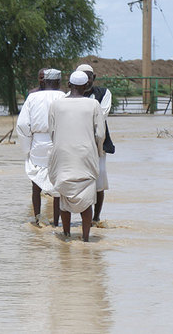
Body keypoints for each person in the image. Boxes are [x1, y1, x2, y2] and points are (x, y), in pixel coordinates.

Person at [48, 71, 105, 242]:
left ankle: (66, 234)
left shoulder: (56, 105)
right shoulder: (94, 104)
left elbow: (51, 131)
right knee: (87, 197)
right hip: (85, 154)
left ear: (69, 85)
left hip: (63, 154)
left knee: (64, 195)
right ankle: (86, 238)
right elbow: (100, 133)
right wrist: (98, 151)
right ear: (87, 86)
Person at [16, 69, 65, 226]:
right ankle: (56, 223)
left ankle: (38, 219)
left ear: (45, 81)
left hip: (37, 142)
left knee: (35, 184)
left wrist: (27, 147)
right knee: (58, 185)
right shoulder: (64, 97)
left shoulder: (32, 97)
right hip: (58, 142)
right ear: (58, 82)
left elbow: (23, 124)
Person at [76, 64, 114, 224]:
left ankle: (96, 218)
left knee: (99, 181)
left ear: (93, 78)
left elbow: (102, 115)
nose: (86, 81)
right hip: (76, 144)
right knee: (78, 180)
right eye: (82, 78)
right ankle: (82, 218)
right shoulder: (67, 96)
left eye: (89, 77)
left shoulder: (104, 93)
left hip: (99, 145)